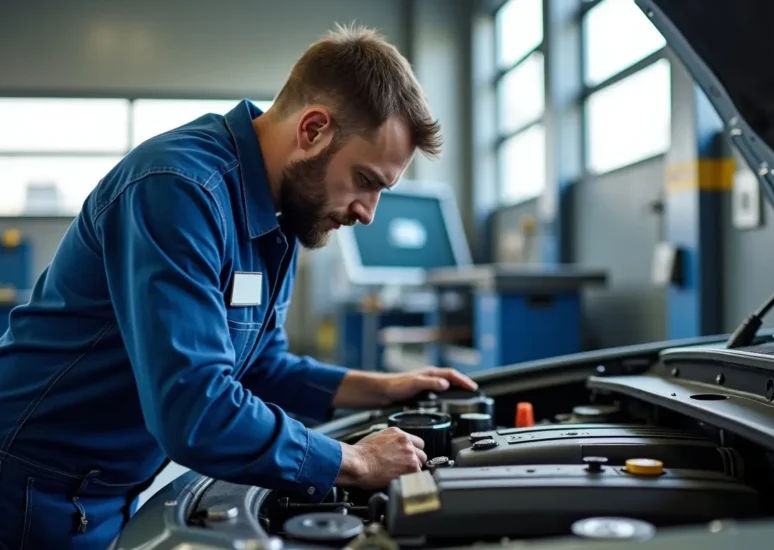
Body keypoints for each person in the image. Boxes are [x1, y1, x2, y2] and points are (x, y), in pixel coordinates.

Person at [0, 24, 476, 549]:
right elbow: (195, 410)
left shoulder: (283, 212)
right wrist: (354, 460)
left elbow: (262, 366)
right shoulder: (178, 190)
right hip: (29, 485)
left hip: (104, 489)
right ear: (313, 129)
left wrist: (382, 387)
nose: (367, 213)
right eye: (365, 181)